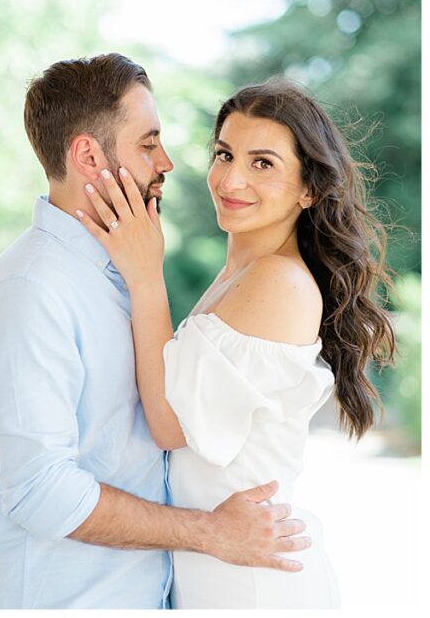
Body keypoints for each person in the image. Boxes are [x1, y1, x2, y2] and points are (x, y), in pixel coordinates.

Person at [0, 54, 311, 609]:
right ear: (88, 155)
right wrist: (209, 532)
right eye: (148, 144)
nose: (168, 162)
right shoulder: (32, 290)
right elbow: (41, 493)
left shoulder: (119, 273)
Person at [76, 79, 396, 608]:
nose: (230, 178)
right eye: (224, 154)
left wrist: (145, 274)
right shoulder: (237, 275)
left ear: (308, 189)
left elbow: (169, 424)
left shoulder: (279, 281)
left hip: (253, 583)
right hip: (220, 562)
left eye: (262, 163)